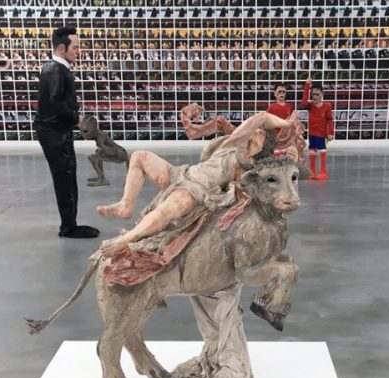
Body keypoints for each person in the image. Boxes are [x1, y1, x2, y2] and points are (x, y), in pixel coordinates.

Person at [96, 110, 300, 257]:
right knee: (139, 156)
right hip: (182, 173)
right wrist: (286, 123)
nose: (251, 130)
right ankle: (126, 206)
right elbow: (262, 117)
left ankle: (126, 240)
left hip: (196, 190)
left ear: (261, 138)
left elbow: (272, 186)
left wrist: (293, 153)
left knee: (165, 211)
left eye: (257, 132)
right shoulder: (233, 143)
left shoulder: (253, 170)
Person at [34, 25, 99, 239]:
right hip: (53, 133)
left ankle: (70, 224)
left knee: (68, 175)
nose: (79, 51)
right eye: (76, 47)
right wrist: (76, 119)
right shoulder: (54, 70)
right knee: (64, 177)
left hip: (57, 131)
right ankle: (68, 227)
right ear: (62, 48)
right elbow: (55, 103)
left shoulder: (57, 69)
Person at [300, 78, 334, 180]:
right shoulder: (310, 106)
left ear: (322, 94)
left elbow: (329, 120)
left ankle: (323, 172)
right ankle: (312, 172)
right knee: (312, 152)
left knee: (322, 151)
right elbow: (304, 102)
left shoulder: (327, 106)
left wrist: (330, 133)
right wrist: (307, 85)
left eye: (317, 94)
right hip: (312, 134)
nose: (315, 97)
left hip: (321, 134)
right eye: (313, 94)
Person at [266, 83, 294, 157]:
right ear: (275, 94)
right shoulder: (271, 107)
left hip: (287, 138)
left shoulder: (289, 106)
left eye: (283, 92)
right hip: (275, 137)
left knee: (286, 155)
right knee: (276, 155)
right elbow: (267, 121)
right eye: (279, 91)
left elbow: (292, 121)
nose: (281, 94)